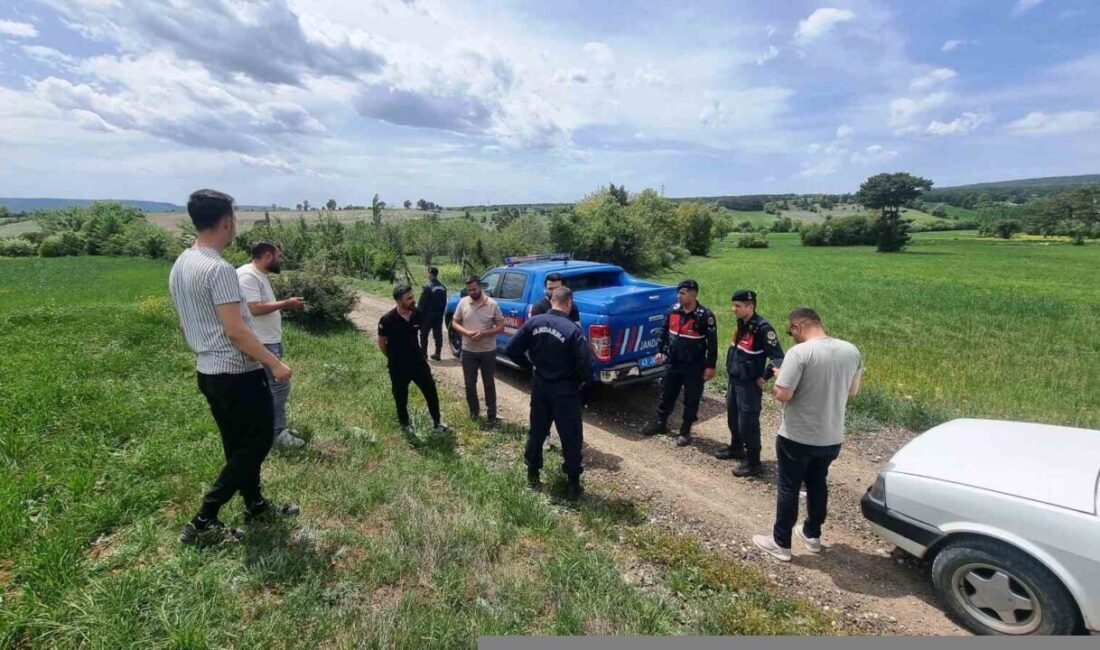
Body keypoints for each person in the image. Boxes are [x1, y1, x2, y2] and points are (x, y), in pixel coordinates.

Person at [169, 189, 299, 546]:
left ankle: (255, 504)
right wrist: (274, 363)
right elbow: (237, 330)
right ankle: (203, 520)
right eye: (235, 219)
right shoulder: (219, 269)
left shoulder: (183, 263)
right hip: (235, 372)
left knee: (236, 445)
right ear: (226, 221)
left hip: (208, 370)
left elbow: (190, 319)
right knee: (256, 443)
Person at [752, 307, 862, 562]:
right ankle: (812, 535)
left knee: (788, 487)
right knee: (818, 483)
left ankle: (781, 543)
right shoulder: (851, 351)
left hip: (797, 435)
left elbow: (783, 394)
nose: (792, 336)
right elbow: (853, 391)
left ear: (798, 327)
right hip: (832, 435)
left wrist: (780, 376)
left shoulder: (799, 353)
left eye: (791, 332)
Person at [505, 286, 592, 501]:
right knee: (570, 437)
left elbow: (511, 350)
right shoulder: (572, 329)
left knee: (537, 431)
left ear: (551, 300)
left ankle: (532, 475)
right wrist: (580, 383)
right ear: (569, 303)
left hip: (540, 386)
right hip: (565, 390)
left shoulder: (534, 322)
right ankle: (573, 485)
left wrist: (530, 367)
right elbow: (586, 365)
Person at [237, 240, 307, 450]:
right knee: (280, 386)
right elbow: (253, 308)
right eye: (279, 256)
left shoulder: (259, 275)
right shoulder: (248, 275)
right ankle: (278, 434)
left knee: (268, 388)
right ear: (268, 256)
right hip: (261, 343)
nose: (281, 260)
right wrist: (286, 303)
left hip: (269, 340)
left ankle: (267, 428)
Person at [641, 279, 718, 447]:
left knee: (692, 398)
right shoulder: (673, 311)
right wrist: (660, 350)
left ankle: (685, 431)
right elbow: (664, 333)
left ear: (693, 294)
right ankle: (660, 423)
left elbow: (712, 345)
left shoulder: (705, 316)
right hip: (673, 362)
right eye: (679, 293)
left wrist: (710, 367)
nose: (679, 296)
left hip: (694, 365)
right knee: (666, 393)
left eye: (682, 293)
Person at [718, 289, 785, 478]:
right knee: (733, 417)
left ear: (750, 306)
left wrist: (763, 378)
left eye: (738, 306)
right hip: (734, 380)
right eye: (734, 305)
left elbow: (778, 358)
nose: (733, 309)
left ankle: (754, 463)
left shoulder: (763, 328)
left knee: (748, 422)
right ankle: (736, 448)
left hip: (749, 384)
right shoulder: (742, 324)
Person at [378, 284, 448, 434]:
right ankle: (405, 425)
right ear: (398, 301)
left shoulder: (417, 314)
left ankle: (437, 422)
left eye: (412, 297)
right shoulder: (387, 320)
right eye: (408, 298)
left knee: (430, 390)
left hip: (418, 362)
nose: (412, 300)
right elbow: (382, 343)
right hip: (398, 365)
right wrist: (392, 357)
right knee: (400, 396)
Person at [451, 276, 505, 429]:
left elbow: (501, 326)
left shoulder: (492, 304)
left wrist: (485, 333)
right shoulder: (463, 302)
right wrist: (466, 332)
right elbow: (455, 322)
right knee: (469, 384)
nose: (472, 292)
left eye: (474, 289)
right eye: (469, 290)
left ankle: (492, 416)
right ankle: (474, 413)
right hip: (468, 351)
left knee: (488, 383)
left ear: (480, 287)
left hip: (487, 351)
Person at [417, 266, 447, 360]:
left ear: (430, 274)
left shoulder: (427, 287)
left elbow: (422, 303)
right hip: (439, 315)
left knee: (423, 334)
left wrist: (418, 314)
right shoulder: (443, 287)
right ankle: (438, 353)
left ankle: (424, 354)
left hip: (428, 315)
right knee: (438, 334)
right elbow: (444, 301)